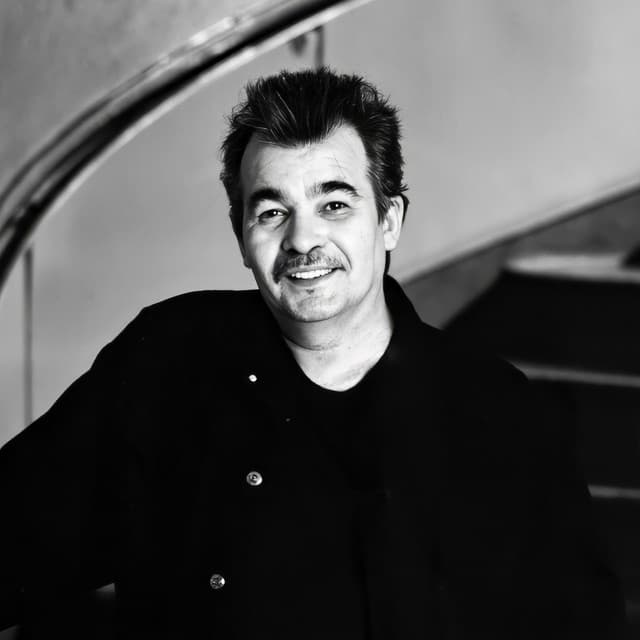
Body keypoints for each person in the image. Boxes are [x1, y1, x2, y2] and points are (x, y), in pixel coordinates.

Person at [0, 68, 627, 639]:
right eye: (273, 211)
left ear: (388, 221)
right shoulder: (170, 361)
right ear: (241, 236)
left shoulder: (497, 412)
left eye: (334, 204)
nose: (303, 239)